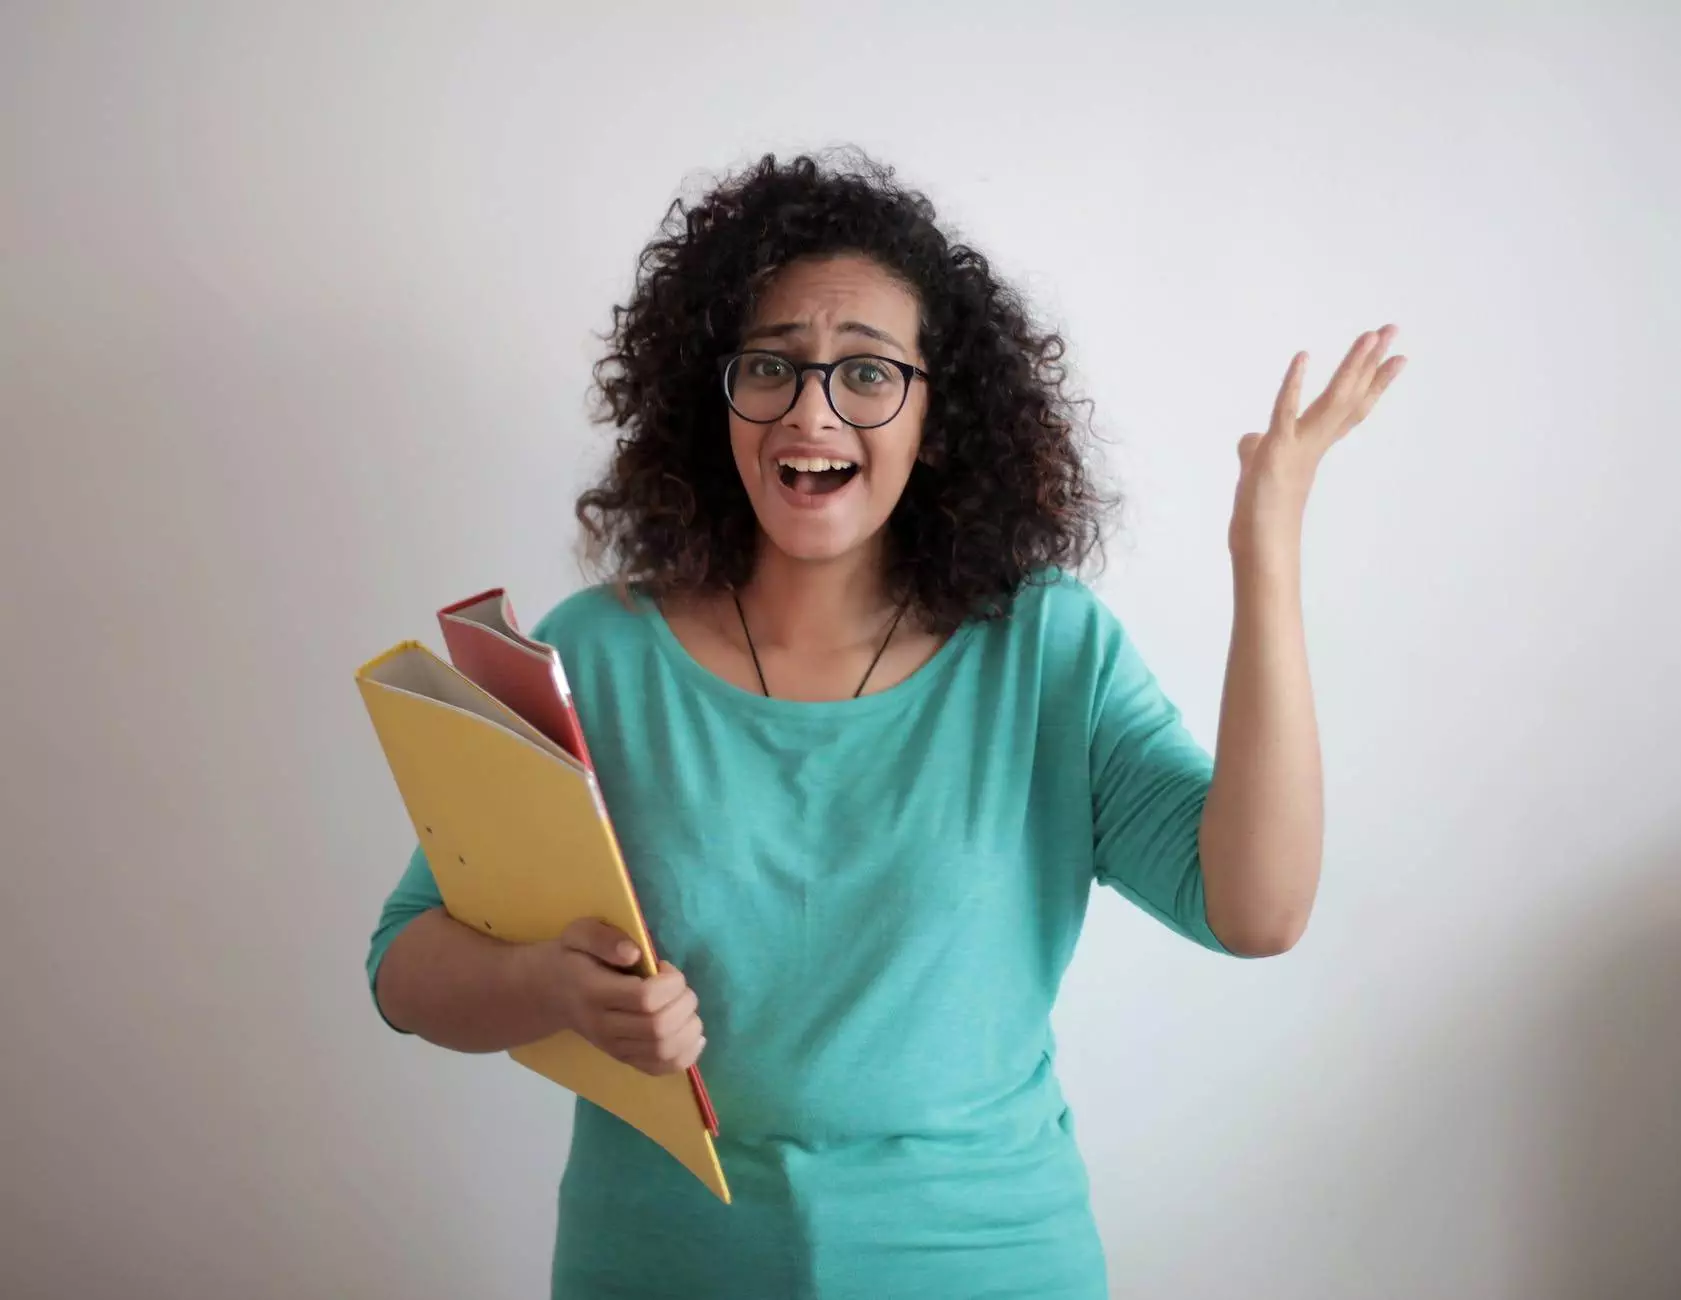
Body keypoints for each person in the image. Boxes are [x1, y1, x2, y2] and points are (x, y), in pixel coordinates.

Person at [364, 150, 1405, 1298]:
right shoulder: (596, 655)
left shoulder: (1045, 652)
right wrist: (553, 991)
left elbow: (1255, 910)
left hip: (986, 1261)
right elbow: (405, 968)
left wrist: (1265, 546)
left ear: (936, 412)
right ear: (712, 398)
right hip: (660, 1263)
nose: (811, 411)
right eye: (772, 367)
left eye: (867, 373)